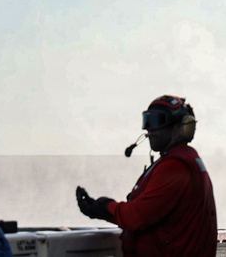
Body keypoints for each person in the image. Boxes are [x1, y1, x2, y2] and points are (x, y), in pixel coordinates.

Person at [76, 95, 218, 257]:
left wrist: (105, 207)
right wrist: (103, 209)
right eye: (147, 121)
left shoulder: (175, 166)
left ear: (181, 126)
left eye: (157, 121)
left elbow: (137, 217)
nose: (149, 129)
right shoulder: (186, 159)